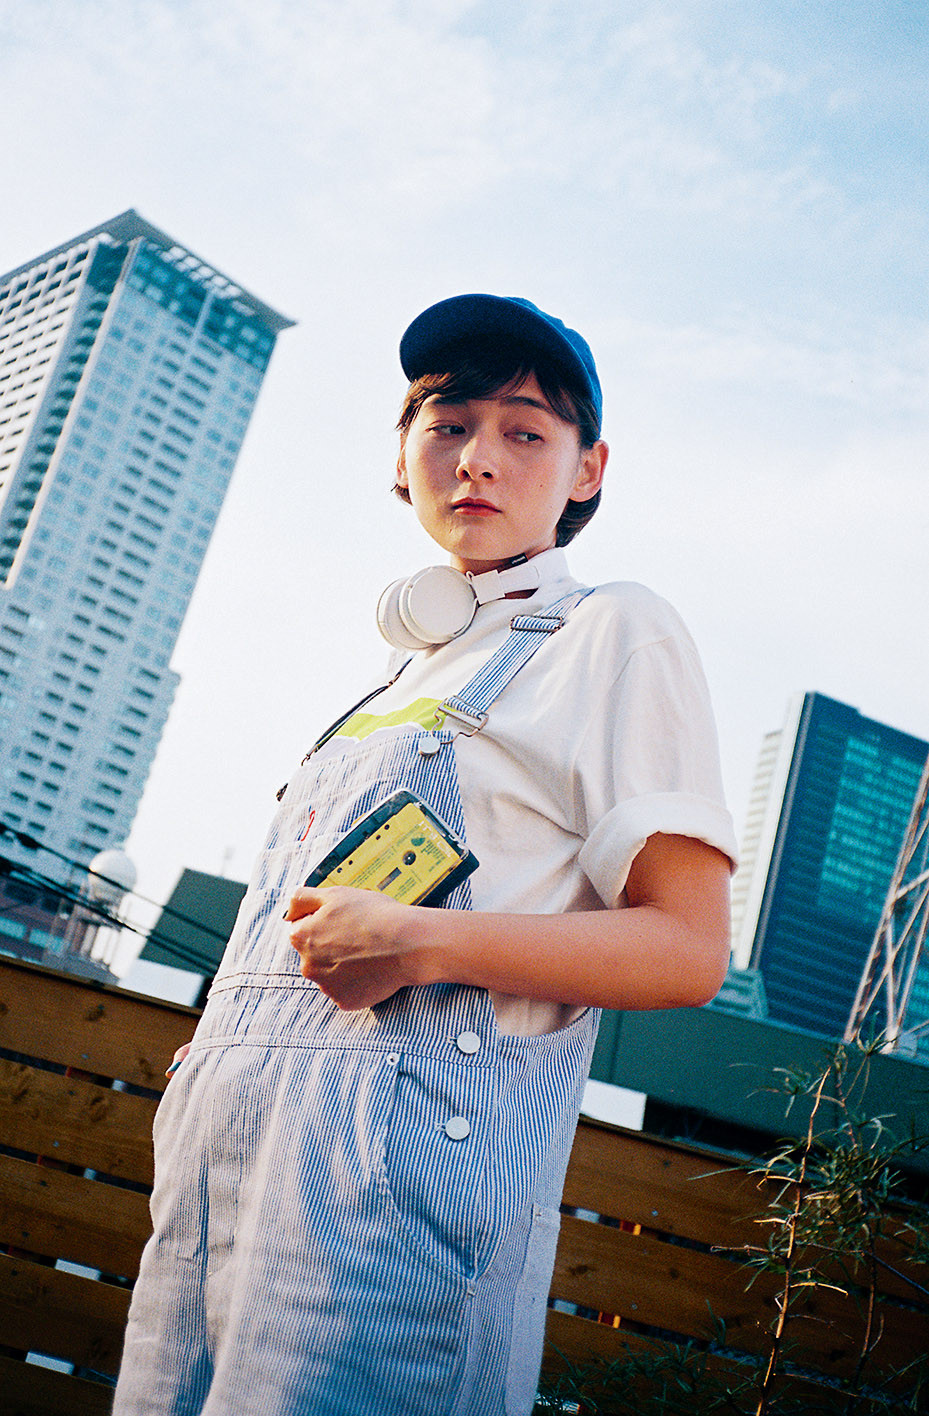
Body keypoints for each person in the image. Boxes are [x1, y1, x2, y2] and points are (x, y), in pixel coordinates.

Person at [113, 294, 738, 1416]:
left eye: (524, 432)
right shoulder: (394, 679)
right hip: (217, 1165)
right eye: (447, 426)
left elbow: (687, 951)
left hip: (394, 1193)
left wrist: (420, 940)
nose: (477, 459)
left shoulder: (612, 629)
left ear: (588, 470)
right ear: (399, 460)